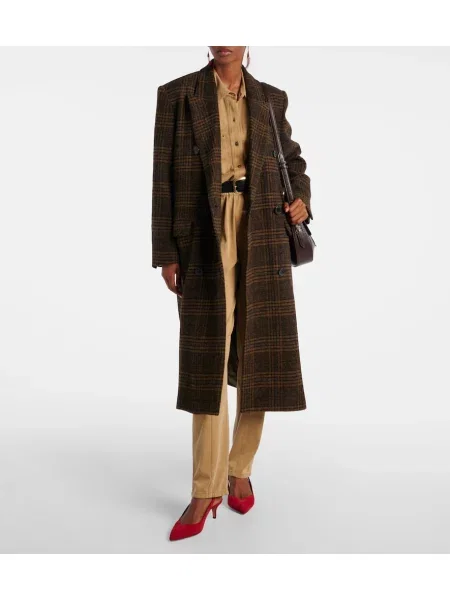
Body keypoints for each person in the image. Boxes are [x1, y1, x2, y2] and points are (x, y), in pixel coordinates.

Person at [151, 46, 312, 541]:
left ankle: (239, 468)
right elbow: (162, 179)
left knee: (258, 353)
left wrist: (302, 198)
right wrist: (166, 252)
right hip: (204, 233)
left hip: (263, 229)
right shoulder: (178, 95)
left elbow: (292, 161)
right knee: (208, 360)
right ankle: (205, 488)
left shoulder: (271, 98)